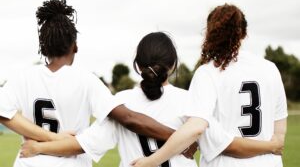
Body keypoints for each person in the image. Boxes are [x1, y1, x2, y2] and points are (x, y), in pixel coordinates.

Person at [20, 32, 283, 167]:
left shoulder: (121, 101)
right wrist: (271, 145)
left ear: (137, 65)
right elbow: (227, 145)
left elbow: (81, 145)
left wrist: (42, 145)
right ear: (173, 65)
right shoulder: (191, 102)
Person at [0, 0, 179, 167]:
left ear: (43, 46)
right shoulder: (86, 80)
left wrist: (47, 137)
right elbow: (128, 118)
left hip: (29, 161)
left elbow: (3, 112)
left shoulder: (24, 77)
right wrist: (179, 138)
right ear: (74, 46)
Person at [131, 4, 287, 167]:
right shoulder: (270, 69)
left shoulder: (208, 73)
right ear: (244, 33)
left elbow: (196, 128)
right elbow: (279, 138)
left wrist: (150, 161)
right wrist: (269, 147)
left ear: (210, 33)